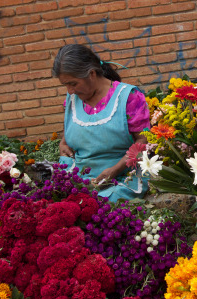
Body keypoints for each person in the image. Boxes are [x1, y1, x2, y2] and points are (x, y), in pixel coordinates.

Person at [52, 44, 150, 202]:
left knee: (105, 203)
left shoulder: (128, 97)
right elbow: (73, 129)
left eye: (73, 83)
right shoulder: (72, 99)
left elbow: (144, 140)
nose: (70, 90)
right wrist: (63, 143)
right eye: (66, 85)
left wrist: (115, 170)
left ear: (91, 74)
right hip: (80, 178)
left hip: (123, 176)